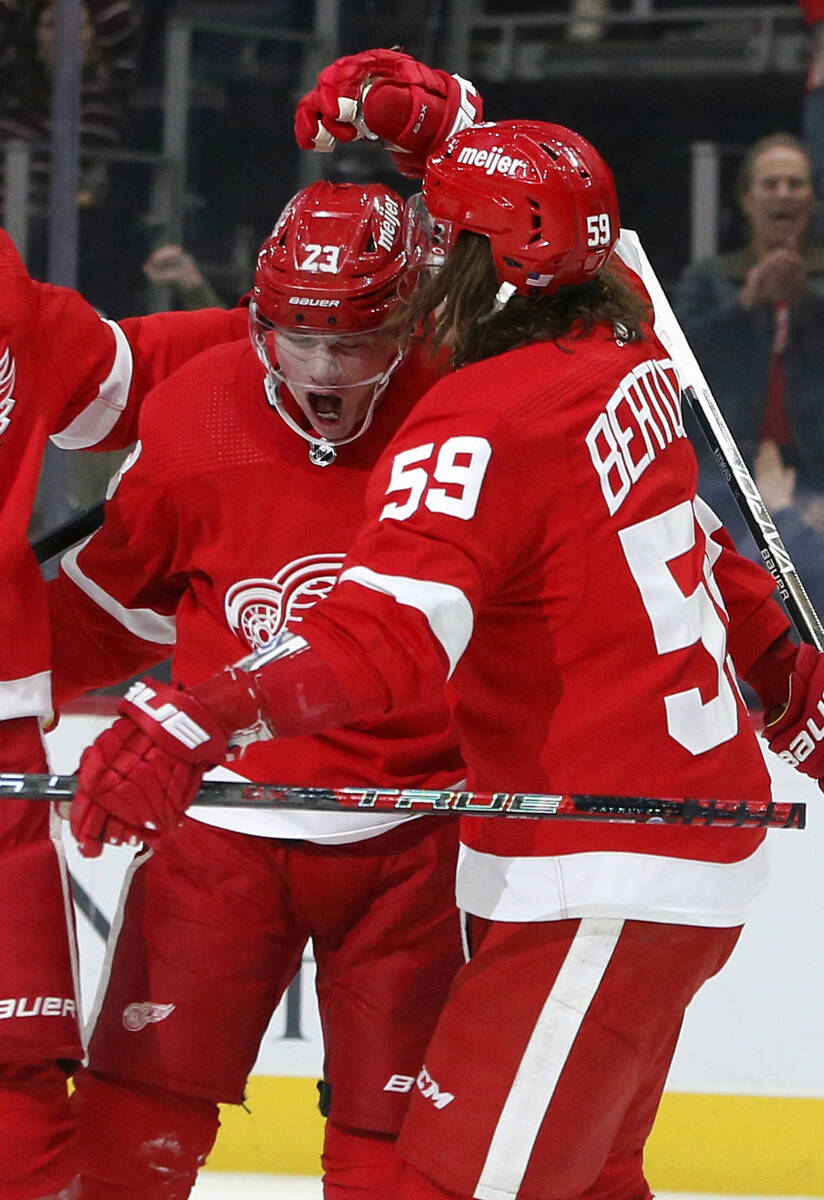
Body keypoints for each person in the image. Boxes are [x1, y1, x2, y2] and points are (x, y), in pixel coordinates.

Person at [62, 118, 824, 1200]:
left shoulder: (470, 411)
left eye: (439, 237)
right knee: (591, 1179)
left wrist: (204, 711)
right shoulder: (624, 362)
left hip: (581, 858)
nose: (328, 367)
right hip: (656, 845)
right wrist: (782, 679)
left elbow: (386, 643)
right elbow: (693, 541)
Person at [46, 55, 485, 1200]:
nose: (327, 373)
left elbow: (573, 261)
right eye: (302, 339)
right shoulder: (193, 415)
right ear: (256, 319)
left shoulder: (468, 404)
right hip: (222, 832)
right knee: (133, 1127)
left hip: (416, 832)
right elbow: (108, 603)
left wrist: (450, 130)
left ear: (418, 318)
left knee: (395, 1160)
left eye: (357, 342)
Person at [0, 227, 247, 1200]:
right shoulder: (14, 305)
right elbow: (134, 376)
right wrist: (325, 326)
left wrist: (297, 324)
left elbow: (133, 372)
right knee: (11, 1077)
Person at [674, 132, 824, 499]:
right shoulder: (708, 277)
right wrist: (745, 301)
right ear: (747, 199)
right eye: (770, 184)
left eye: (796, 184)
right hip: (725, 474)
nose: (784, 194)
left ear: (813, 200)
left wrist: (805, 301)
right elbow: (676, 360)